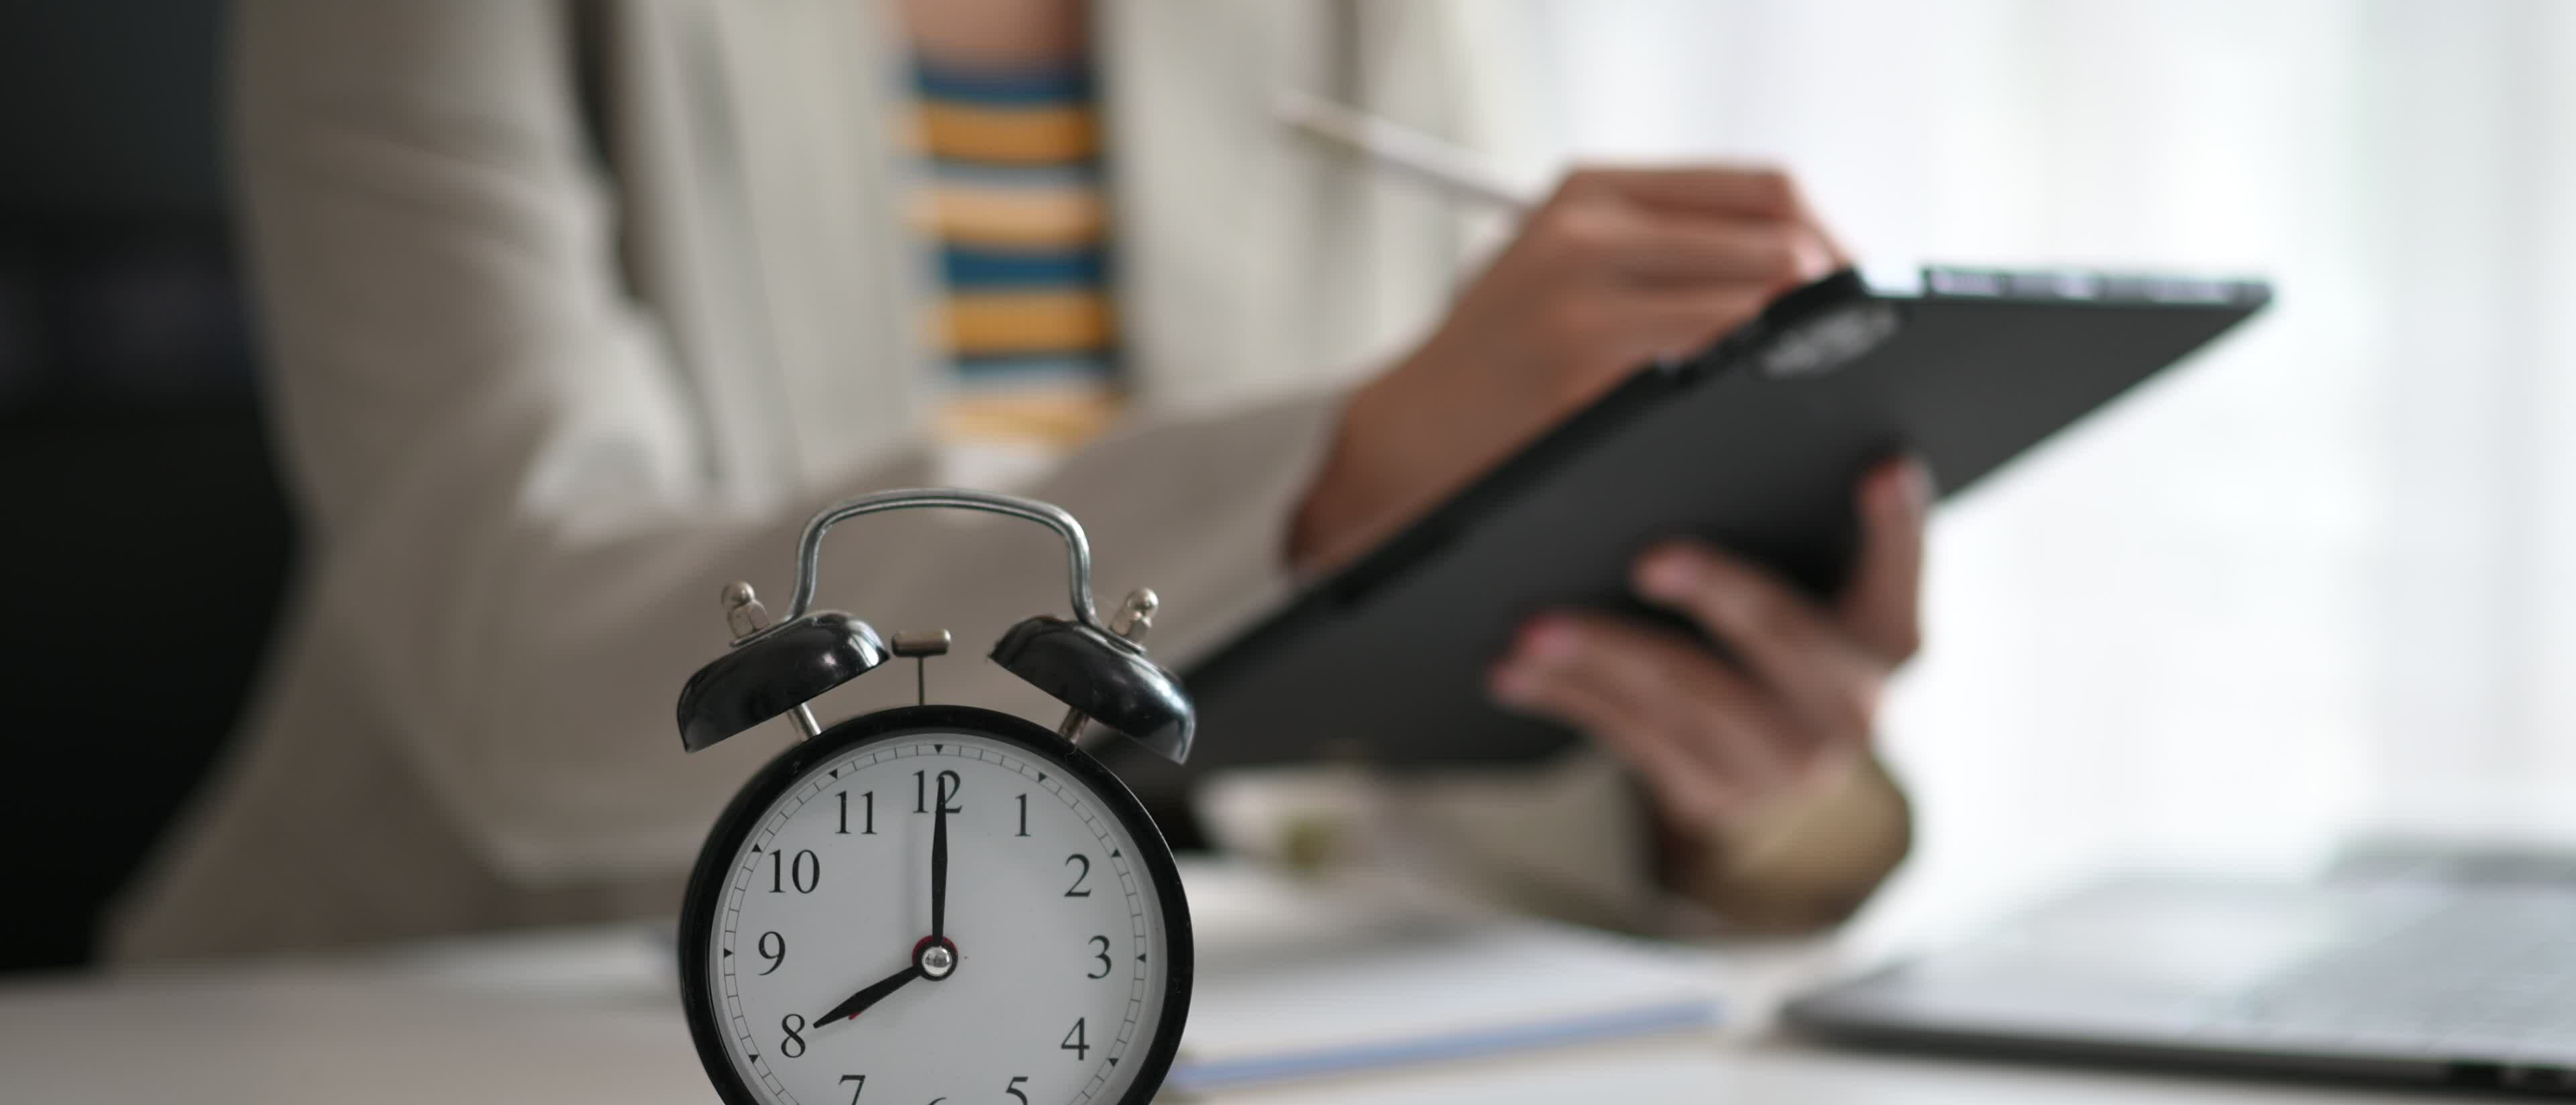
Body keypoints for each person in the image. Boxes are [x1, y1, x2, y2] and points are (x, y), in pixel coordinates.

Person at [109, 0, 1919, 961]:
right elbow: (528, 673)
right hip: (461, 1066)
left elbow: (1334, 727)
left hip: (1177, 1051)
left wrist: (1724, 785)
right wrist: (1342, 470)